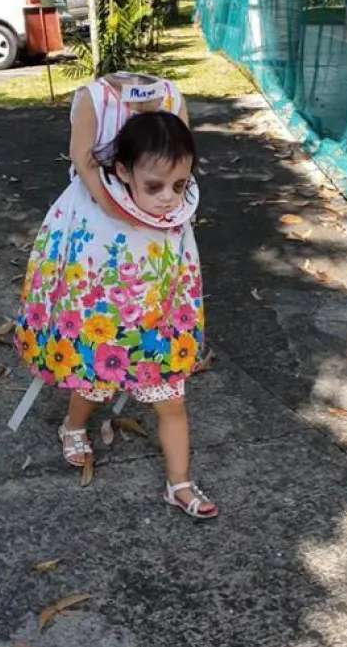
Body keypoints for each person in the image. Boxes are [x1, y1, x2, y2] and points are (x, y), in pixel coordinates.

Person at [13, 110, 218, 521]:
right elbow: (78, 273)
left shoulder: (176, 214)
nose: (168, 197)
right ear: (123, 172)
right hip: (106, 328)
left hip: (156, 327)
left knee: (173, 403)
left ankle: (178, 483)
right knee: (92, 387)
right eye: (154, 185)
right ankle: (73, 427)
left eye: (180, 185)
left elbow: (184, 271)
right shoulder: (98, 209)